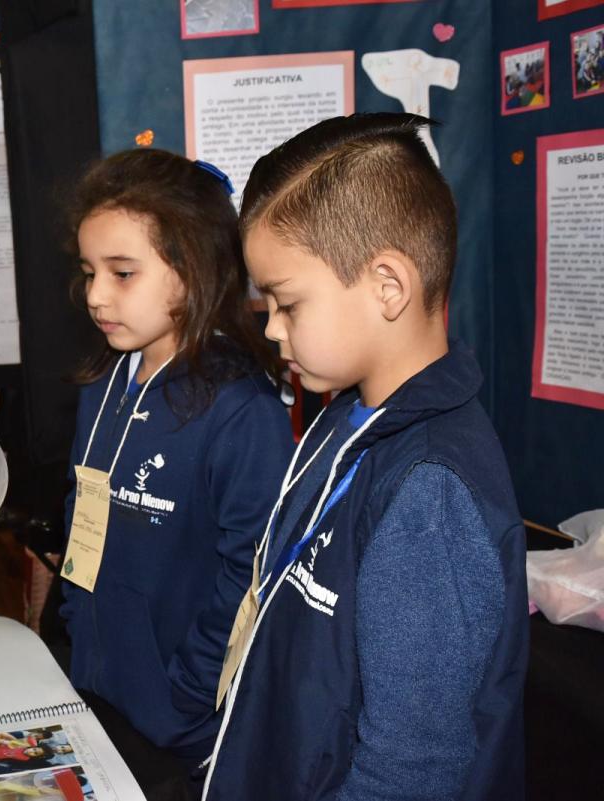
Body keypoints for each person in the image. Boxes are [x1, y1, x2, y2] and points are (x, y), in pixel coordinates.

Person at [201, 113, 527, 801]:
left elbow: (408, 774)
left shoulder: (428, 495)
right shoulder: (346, 414)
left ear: (388, 285)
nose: (271, 327)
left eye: (287, 303)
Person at [57, 149, 294, 798]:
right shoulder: (103, 382)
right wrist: (82, 631)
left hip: (183, 730)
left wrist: (187, 692)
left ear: (192, 270)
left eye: (123, 272)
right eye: (89, 272)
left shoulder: (240, 410)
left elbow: (249, 569)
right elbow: (86, 515)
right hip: (98, 687)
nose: (96, 295)